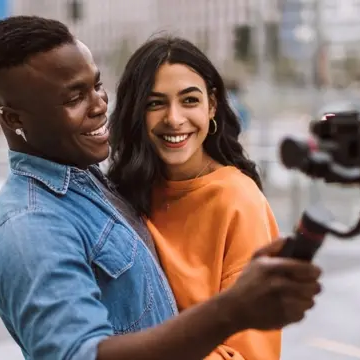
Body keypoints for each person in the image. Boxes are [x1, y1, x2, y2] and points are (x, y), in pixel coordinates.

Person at [0, 16, 322, 360]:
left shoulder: (94, 179)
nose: (99, 106)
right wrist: (231, 309)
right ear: (13, 118)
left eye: (96, 85)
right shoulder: (29, 225)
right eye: (74, 97)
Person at [107, 36, 280, 359]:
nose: (174, 118)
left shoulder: (238, 200)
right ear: (135, 113)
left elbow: (252, 351)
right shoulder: (123, 193)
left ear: (211, 105)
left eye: (189, 100)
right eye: (155, 103)